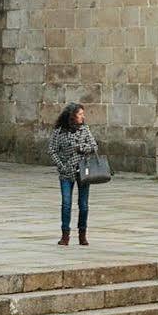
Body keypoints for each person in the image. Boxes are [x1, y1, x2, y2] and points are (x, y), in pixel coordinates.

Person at [49, 103, 98, 246]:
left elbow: (94, 146)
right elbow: (52, 150)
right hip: (66, 172)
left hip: (83, 171)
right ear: (72, 116)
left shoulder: (85, 129)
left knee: (83, 205)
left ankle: (82, 234)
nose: (83, 116)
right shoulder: (59, 132)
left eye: (83, 114)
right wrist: (61, 165)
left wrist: (81, 148)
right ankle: (65, 235)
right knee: (66, 203)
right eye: (80, 114)